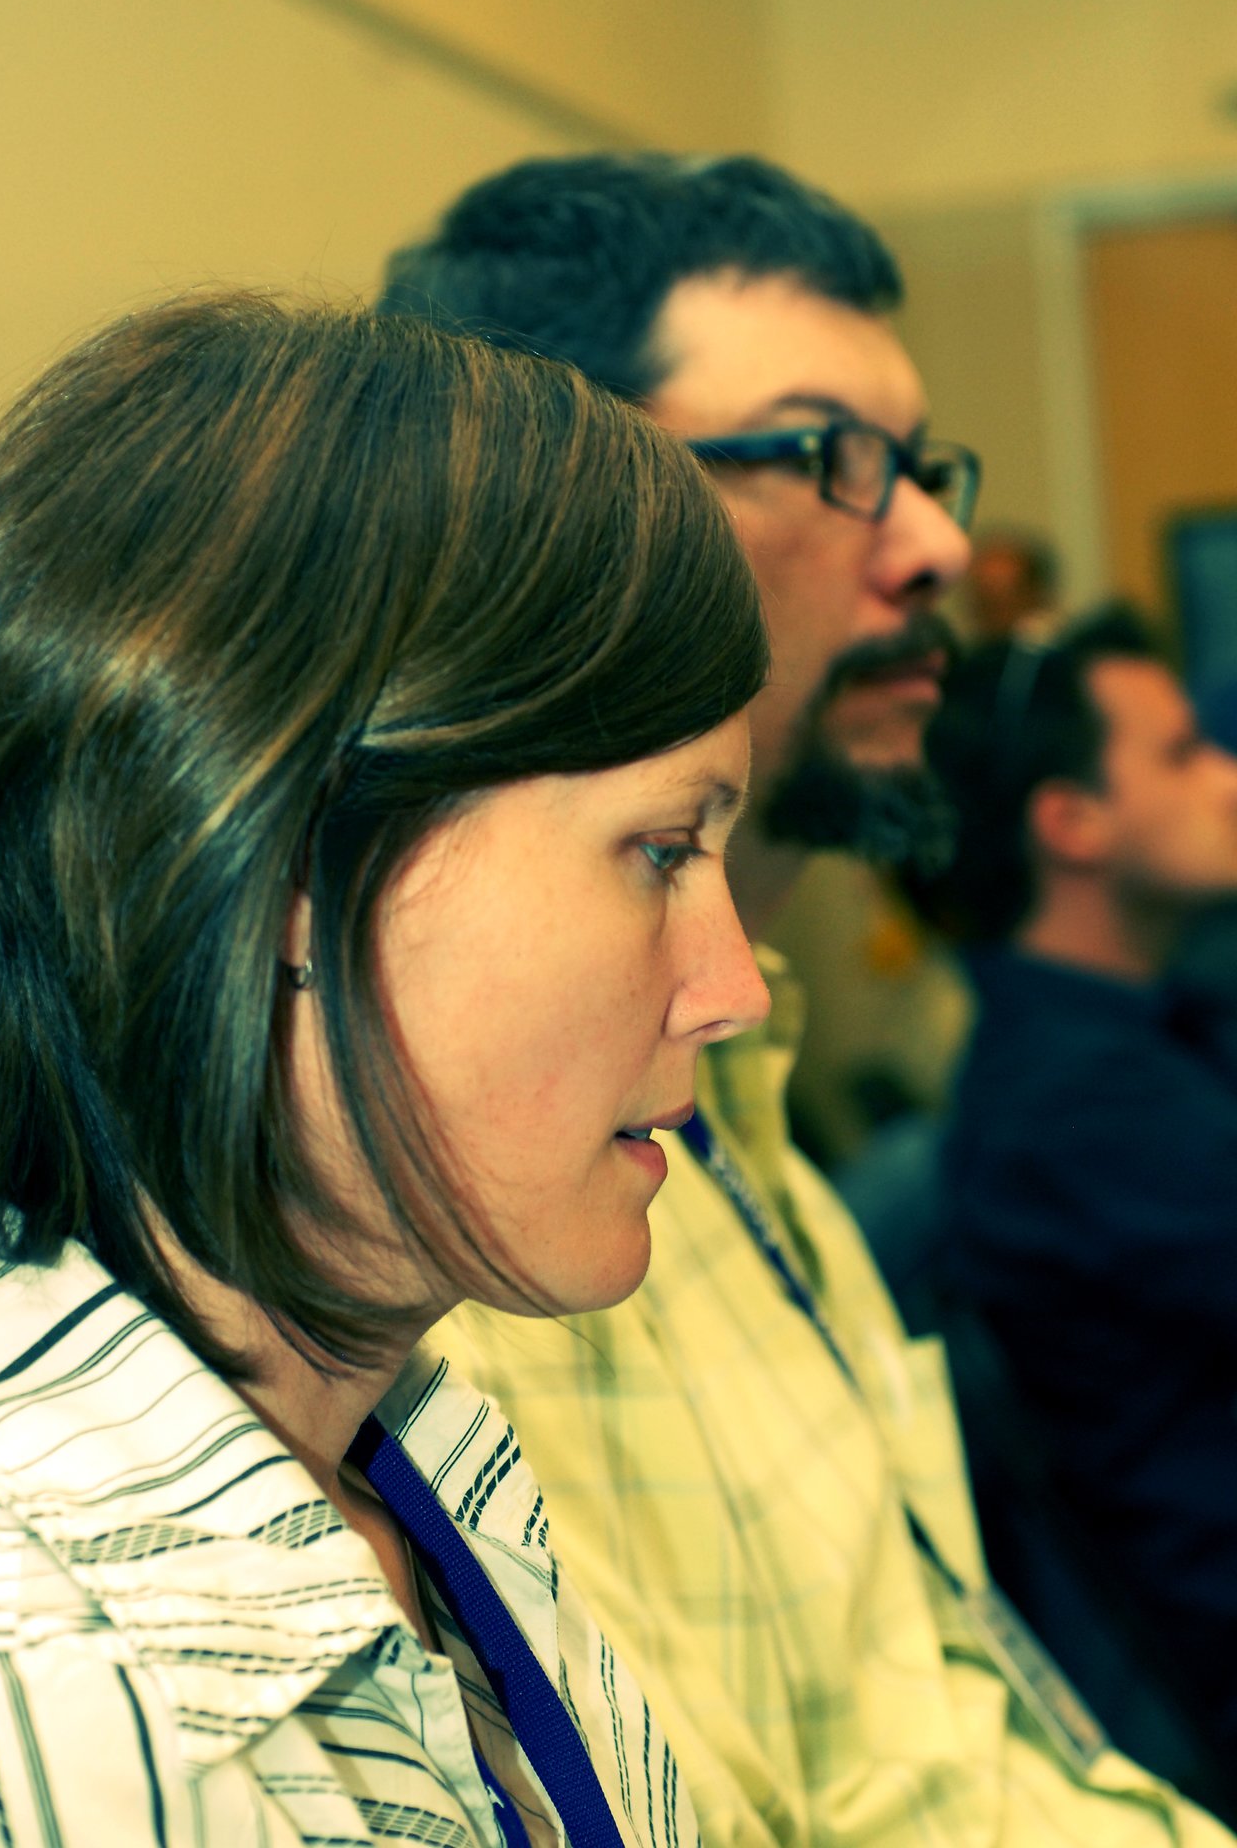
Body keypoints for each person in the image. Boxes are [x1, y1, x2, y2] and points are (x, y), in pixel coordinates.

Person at [381, 156, 1230, 1847]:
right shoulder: (472, 1223)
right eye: (824, 457)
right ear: (551, 501)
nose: (934, 543)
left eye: (919, 467)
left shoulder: (755, 1123)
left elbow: (933, 1758)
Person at [0, 293, 775, 1846]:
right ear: (280, 876)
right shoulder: (30, 1682)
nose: (728, 990)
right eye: (661, 851)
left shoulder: (414, 1473)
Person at [915, 605, 1237, 1778]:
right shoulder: (1074, 1106)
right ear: (1070, 822)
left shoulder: (1136, 1032)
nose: (1225, 778)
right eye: (1178, 753)